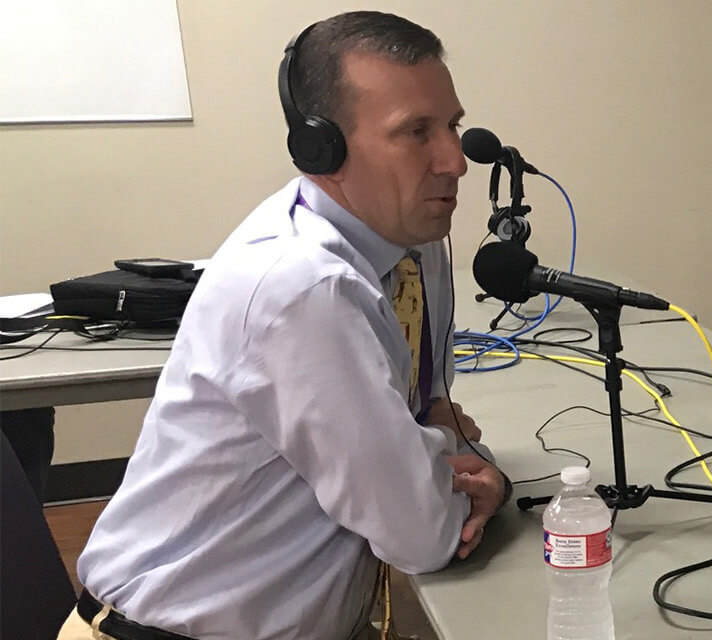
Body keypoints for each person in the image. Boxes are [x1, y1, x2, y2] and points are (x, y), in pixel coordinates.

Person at [69, 12, 505, 640]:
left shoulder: (416, 243)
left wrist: (431, 451)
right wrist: (468, 467)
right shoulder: (304, 288)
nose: (455, 161)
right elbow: (423, 531)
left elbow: (430, 414)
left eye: (452, 126)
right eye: (415, 132)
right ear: (320, 149)